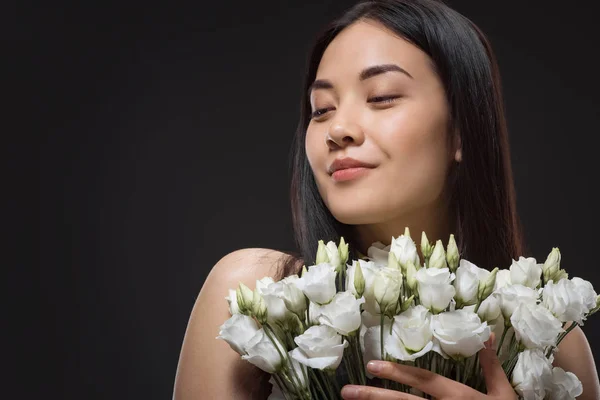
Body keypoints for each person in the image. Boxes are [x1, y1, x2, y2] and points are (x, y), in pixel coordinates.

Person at [173, 0, 600, 398]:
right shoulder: (254, 297)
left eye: (381, 97)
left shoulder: (546, 334)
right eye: (321, 109)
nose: (337, 129)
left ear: (462, 131)